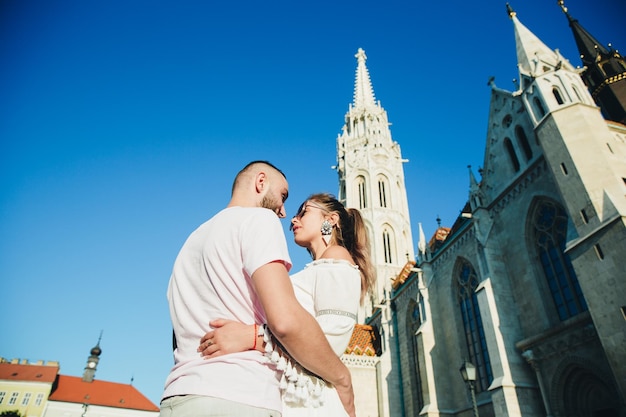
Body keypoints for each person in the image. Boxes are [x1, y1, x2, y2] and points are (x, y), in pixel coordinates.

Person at [160, 162, 356, 417]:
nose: (284, 213)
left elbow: (177, 336)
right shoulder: (260, 219)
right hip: (240, 394)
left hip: (179, 395)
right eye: (283, 197)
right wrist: (343, 378)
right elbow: (285, 321)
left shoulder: (192, 241)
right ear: (260, 182)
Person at [198, 193, 376, 416]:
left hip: (312, 404)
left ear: (330, 220)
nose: (293, 219)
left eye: (304, 212)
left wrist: (252, 337)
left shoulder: (338, 257)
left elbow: (330, 340)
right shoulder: (320, 267)